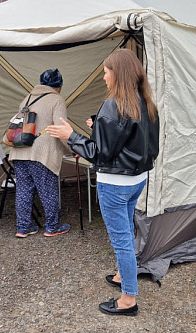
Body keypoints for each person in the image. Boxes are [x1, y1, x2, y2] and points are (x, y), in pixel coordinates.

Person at [46, 49, 159, 316]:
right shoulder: (145, 103)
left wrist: (71, 135)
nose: (104, 78)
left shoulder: (114, 106)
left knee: (121, 240)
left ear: (117, 74)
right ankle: (122, 275)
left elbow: (100, 152)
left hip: (114, 184)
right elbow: (130, 137)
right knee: (126, 233)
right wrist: (99, 124)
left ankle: (128, 299)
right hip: (136, 180)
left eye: (106, 72)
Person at [5, 68, 72, 238]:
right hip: (41, 154)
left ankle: (23, 227)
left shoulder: (27, 99)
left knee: (23, 190)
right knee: (48, 190)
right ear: (59, 86)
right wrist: (72, 149)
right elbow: (60, 129)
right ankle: (52, 227)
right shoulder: (56, 100)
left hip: (19, 152)